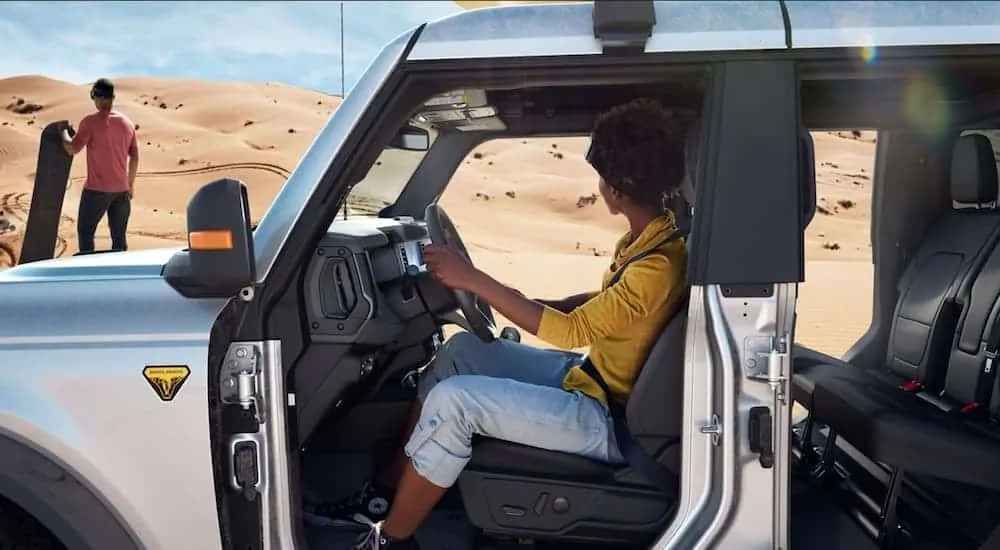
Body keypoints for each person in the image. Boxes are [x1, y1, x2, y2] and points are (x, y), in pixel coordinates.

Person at [310, 98, 691, 550]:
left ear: (620, 188)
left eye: (603, 178)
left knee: (456, 402)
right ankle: (390, 490)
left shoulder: (656, 267)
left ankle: (391, 539)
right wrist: (516, 297)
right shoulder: (651, 241)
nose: (600, 186)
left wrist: (473, 280)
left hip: (609, 415)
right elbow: (601, 306)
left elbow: (569, 331)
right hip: (592, 378)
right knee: (460, 353)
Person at [62, 78, 139, 253]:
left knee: (86, 232)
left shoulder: (90, 122)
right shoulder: (127, 123)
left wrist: (64, 133)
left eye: (94, 97)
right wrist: (130, 184)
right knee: (119, 239)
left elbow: (72, 148)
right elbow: (135, 156)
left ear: (99, 97)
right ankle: (119, 276)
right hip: (121, 191)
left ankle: (87, 273)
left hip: (96, 190)